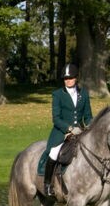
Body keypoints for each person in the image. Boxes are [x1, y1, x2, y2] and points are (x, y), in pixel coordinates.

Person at [39, 63, 93, 197]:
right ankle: (47, 185)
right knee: (54, 153)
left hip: (80, 132)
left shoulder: (84, 94)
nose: (68, 80)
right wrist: (69, 128)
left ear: (76, 78)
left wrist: (90, 127)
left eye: (70, 78)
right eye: (65, 78)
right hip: (61, 133)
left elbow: (88, 116)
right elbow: (56, 118)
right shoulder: (57, 94)